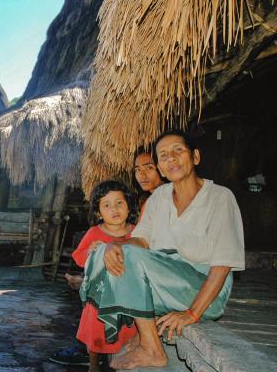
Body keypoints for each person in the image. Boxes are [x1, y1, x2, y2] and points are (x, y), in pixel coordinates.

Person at [81, 130, 245, 370]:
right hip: (168, 287)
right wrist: (112, 244)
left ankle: (152, 348)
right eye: (164, 156)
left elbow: (222, 266)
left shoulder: (219, 197)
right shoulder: (159, 197)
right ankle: (142, 331)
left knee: (129, 257)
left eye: (178, 150)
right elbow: (142, 241)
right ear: (161, 167)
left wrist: (191, 314)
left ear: (195, 157)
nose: (171, 159)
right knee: (100, 252)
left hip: (205, 292)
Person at [50, 150, 164, 368]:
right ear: (99, 212)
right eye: (107, 205)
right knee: (96, 334)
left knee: (124, 332)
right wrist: (94, 254)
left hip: (126, 295)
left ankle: (121, 358)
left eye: (120, 203)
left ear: (129, 206)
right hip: (99, 298)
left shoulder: (136, 232)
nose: (114, 209)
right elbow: (80, 257)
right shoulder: (94, 232)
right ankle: (93, 365)